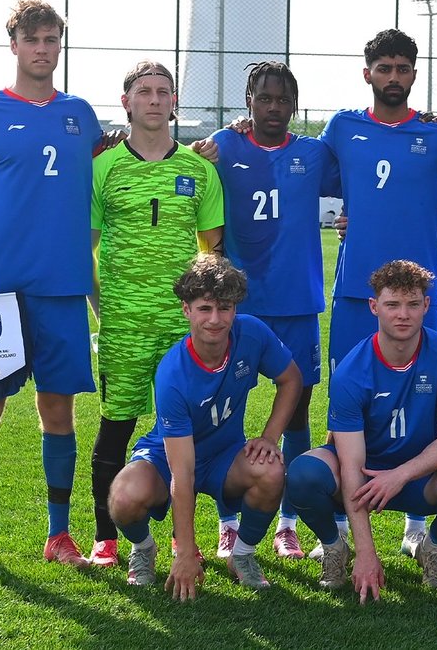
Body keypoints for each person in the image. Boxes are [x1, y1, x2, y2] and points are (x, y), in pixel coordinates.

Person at [0, 0, 106, 574]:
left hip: (62, 291)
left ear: (59, 46)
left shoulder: (80, 115)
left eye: (51, 39)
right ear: (14, 46)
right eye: (32, 39)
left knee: (58, 411)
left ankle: (59, 536)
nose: (42, 48)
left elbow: (131, 155)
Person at [318, 29, 437, 551]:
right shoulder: (342, 128)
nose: (394, 78)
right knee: (346, 400)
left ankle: (417, 521)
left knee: (423, 402)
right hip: (357, 293)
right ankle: (338, 518)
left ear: (414, 75)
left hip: (417, 298)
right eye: (385, 69)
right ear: (368, 74)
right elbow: (293, 166)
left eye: (403, 69)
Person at [86, 60, 225, 568]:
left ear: (173, 103)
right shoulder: (103, 168)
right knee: (116, 424)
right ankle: (106, 536)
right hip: (123, 324)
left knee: (189, 428)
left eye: (163, 91)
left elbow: (213, 249)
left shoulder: (198, 168)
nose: (154, 99)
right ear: (126, 101)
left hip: (181, 326)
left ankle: (195, 533)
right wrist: (103, 309)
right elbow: (87, 249)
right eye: (143, 91)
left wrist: (202, 315)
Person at [285, 260, 437, 601]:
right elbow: (350, 464)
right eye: (392, 304)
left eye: (412, 304)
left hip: (419, 476)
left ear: (427, 306)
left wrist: (400, 475)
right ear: (374, 307)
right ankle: (336, 547)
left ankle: (431, 547)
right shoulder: (351, 370)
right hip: (363, 475)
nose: (403, 314)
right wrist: (367, 551)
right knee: (304, 473)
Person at [108, 254, 302, 598]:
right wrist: (185, 553)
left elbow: (291, 379)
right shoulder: (172, 375)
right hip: (169, 456)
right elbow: (182, 474)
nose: (215, 319)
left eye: (224, 308)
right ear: (186, 310)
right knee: (124, 496)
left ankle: (241, 556)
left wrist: (271, 437)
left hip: (223, 454)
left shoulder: (252, 333)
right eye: (204, 308)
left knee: (271, 471)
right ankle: (144, 548)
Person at [207, 61, 340, 561]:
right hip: (241, 305)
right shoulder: (223, 146)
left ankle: (288, 522)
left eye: (283, 99)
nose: (274, 108)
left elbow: (370, 182)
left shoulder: (313, 153)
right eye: (264, 98)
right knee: (226, 412)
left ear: (294, 105)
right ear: (248, 100)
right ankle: (227, 521)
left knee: (297, 410)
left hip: (298, 302)